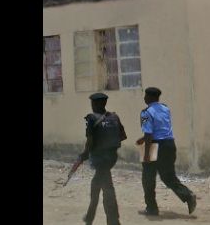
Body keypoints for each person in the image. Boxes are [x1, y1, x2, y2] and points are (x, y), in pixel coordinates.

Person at [136, 87, 197, 216]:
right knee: (168, 176)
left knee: (148, 177)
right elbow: (161, 128)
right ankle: (188, 196)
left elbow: (149, 134)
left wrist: (146, 154)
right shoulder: (165, 109)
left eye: (145, 96)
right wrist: (143, 139)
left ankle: (152, 208)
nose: (144, 98)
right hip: (169, 144)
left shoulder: (145, 113)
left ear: (150, 97)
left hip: (154, 145)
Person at [79, 92, 126, 225]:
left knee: (106, 190)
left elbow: (90, 141)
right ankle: (90, 217)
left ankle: (112, 221)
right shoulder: (114, 117)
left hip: (100, 160)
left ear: (96, 103)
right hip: (111, 158)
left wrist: (84, 154)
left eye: (92, 103)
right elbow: (122, 136)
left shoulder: (92, 118)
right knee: (98, 186)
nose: (92, 105)